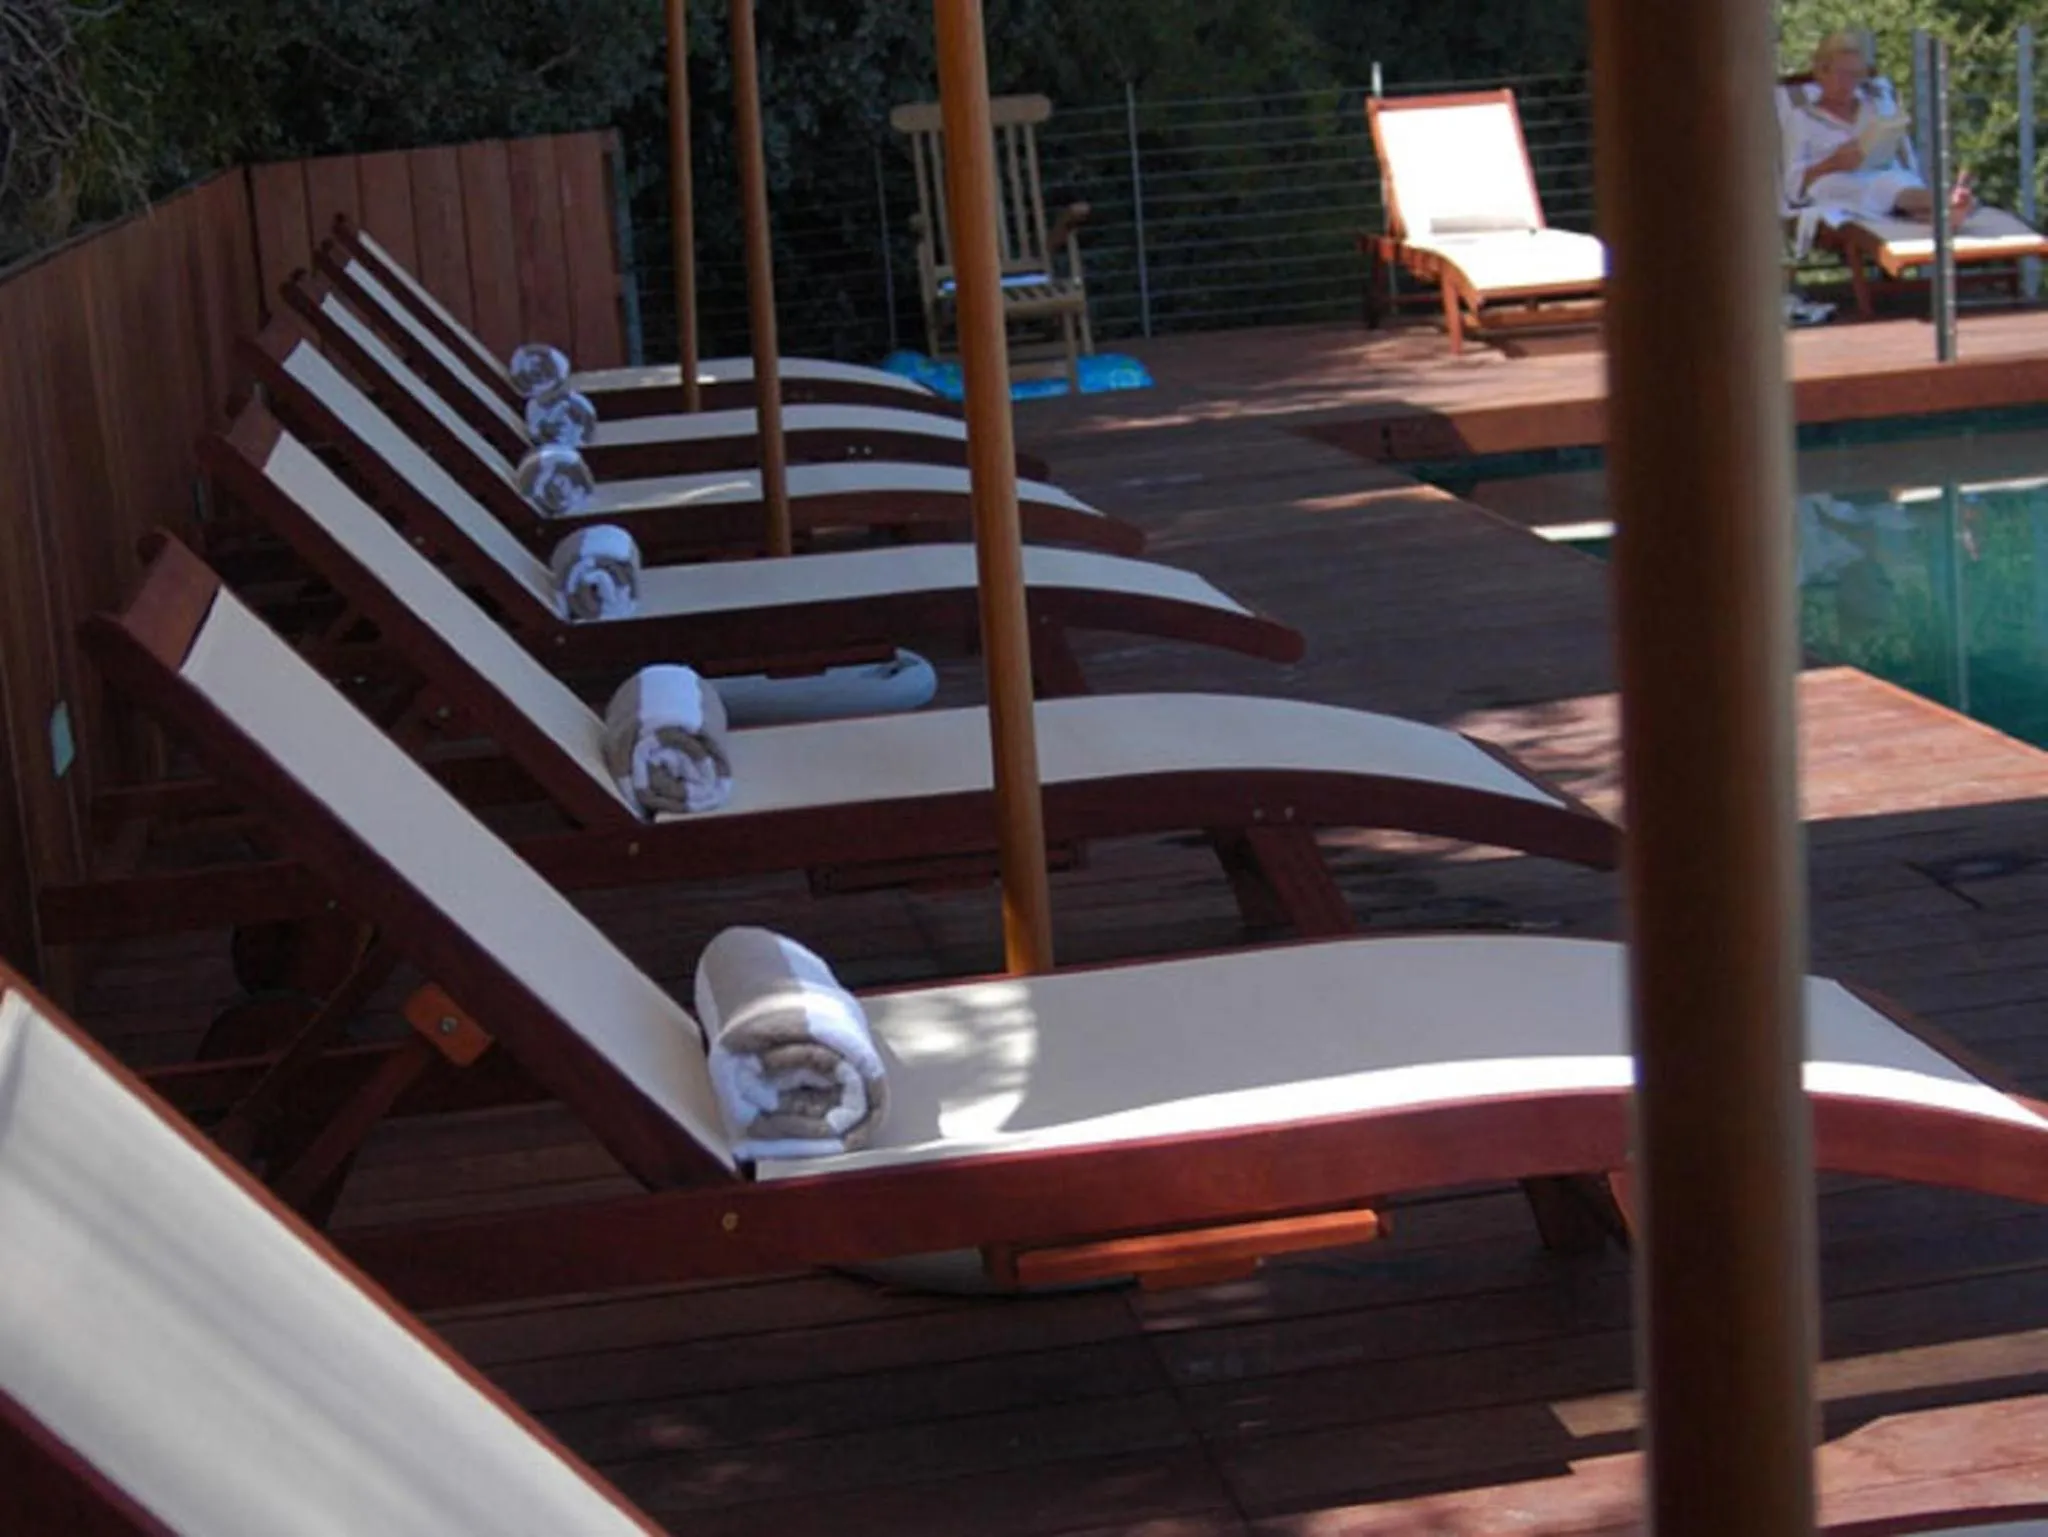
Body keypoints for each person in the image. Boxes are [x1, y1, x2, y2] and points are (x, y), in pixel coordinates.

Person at [1781, 30, 1974, 229]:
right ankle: (1944, 204)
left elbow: (1899, 154)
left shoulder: (1874, 107)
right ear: (1821, 73)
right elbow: (1792, 183)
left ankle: (1940, 211)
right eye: (1841, 74)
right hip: (1834, 182)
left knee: (1894, 179)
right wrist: (1833, 163)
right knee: (1871, 187)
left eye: (1855, 75)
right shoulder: (1801, 118)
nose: (1848, 83)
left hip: (1883, 176)